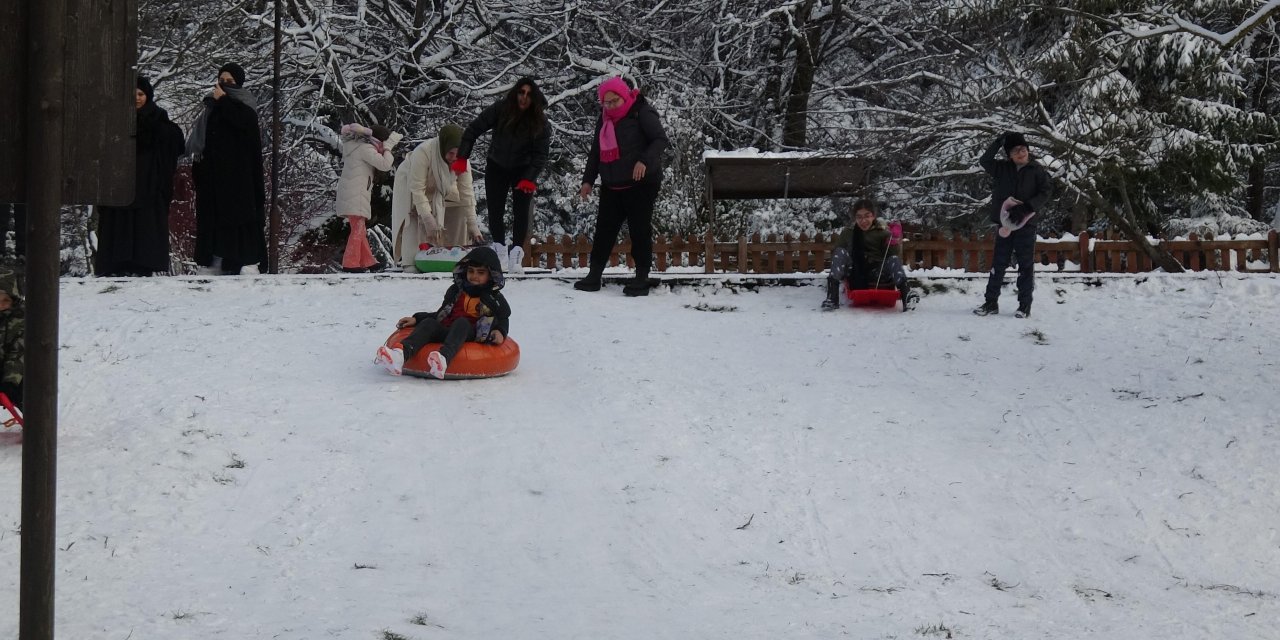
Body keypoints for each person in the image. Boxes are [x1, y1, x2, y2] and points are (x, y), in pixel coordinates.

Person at [573, 76, 669, 297]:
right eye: (605, 103)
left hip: (641, 182)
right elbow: (596, 152)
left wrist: (643, 161)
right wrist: (588, 181)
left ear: (624, 96)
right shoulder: (604, 118)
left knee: (639, 229)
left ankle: (642, 276)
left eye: (614, 101)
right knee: (604, 230)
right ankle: (594, 274)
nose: (610, 106)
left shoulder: (641, 111)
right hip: (612, 183)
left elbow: (660, 140)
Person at [455, 78, 551, 273]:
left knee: (521, 211)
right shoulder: (501, 109)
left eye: (529, 94)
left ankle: (516, 254)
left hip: (523, 169)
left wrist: (529, 177)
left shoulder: (540, 123)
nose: (524, 98)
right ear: (515, 93)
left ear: (534, 98)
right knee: (495, 210)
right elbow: (474, 129)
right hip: (497, 165)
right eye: (521, 92)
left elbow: (541, 155)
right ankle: (499, 250)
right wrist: (462, 157)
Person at [374, 245, 511, 379]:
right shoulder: (456, 291)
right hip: (449, 329)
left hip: (472, 333)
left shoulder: (494, 297)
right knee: (429, 323)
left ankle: (443, 359)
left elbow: (504, 317)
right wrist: (416, 318)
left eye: (480, 273)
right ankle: (400, 355)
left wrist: (500, 331)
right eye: (471, 271)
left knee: (462, 323)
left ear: (491, 275)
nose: (474, 276)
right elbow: (441, 314)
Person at [96, 76, 185, 277]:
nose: (136, 98)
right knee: (120, 222)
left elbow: (176, 143)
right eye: (132, 94)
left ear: (148, 96)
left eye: (140, 94)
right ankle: (118, 264)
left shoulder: (159, 119)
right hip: (119, 183)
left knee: (145, 224)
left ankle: (143, 263)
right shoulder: (113, 119)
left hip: (148, 184)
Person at [186, 62, 267, 276]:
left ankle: (245, 260)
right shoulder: (211, 108)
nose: (225, 84)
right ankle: (215, 259)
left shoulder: (245, 105)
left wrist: (223, 101)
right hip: (213, 175)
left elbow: (242, 124)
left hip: (238, 176)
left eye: (230, 81)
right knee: (214, 217)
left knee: (238, 218)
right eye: (221, 80)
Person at [973, 132, 1052, 318]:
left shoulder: (1037, 170)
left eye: (1023, 149)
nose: (1020, 153)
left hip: (1026, 224)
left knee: (1025, 266)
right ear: (1009, 155)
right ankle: (991, 303)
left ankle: (1024, 306)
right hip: (1005, 224)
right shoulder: (1002, 169)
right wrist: (997, 143)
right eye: (1015, 151)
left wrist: (1028, 207)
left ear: (1028, 150)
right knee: (998, 263)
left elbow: (1046, 191)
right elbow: (985, 161)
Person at [390, 124, 479, 271]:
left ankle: (454, 256)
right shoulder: (423, 152)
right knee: (413, 214)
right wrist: (427, 218)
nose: (454, 158)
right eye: (450, 153)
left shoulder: (462, 159)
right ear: (443, 148)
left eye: (457, 154)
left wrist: (472, 224)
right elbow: (417, 190)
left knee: (459, 206)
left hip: (442, 186)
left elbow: (466, 192)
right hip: (410, 182)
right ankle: (412, 261)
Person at [822, 199, 917, 312]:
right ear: (855, 218)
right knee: (839, 252)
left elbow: (891, 256)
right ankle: (832, 297)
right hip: (854, 270)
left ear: (873, 216)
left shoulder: (882, 232)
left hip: (876, 271)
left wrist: (893, 241)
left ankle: (906, 294)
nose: (863, 221)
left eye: (867, 216)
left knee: (894, 259)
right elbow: (838, 255)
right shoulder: (848, 232)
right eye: (859, 217)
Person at [336, 123, 401, 273]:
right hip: (356, 193)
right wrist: (388, 149)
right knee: (358, 229)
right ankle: (350, 262)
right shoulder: (366, 148)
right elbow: (385, 164)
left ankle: (368, 261)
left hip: (352, 192)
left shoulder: (357, 146)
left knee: (359, 228)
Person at [0, 270, 22, 412]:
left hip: (17, 374)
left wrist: (10, 381)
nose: (1, 305)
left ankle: (37, 420)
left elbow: (19, 353)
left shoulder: (23, 319)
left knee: (29, 389)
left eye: (5, 300)